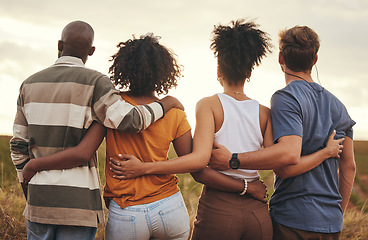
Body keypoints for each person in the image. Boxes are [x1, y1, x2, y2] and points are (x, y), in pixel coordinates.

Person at [109, 20, 343, 240]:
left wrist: (232, 166)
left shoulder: (208, 105)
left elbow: (199, 165)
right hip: (258, 212)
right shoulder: (264, 112)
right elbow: (275, 161)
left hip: (219, 209)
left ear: (219, 68)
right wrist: (250, 184)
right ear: (250, 72)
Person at [10, 21, 182, 240]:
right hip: (78, 206)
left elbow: (17, 146)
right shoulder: (95, 83)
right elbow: (131, 120)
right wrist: (166, 103)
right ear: (91, 51)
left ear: (59, 45)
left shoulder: (28, 85)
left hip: (39, 202)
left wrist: (28, 183)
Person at [209, 26, 356, 240]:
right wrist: (336, 216)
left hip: (293, 218)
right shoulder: (339, 106)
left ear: (280, 58)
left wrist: (232, 160)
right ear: (314, 59)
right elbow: (349, 166)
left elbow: (287, 160)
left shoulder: (286, 98)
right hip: (331, 223)